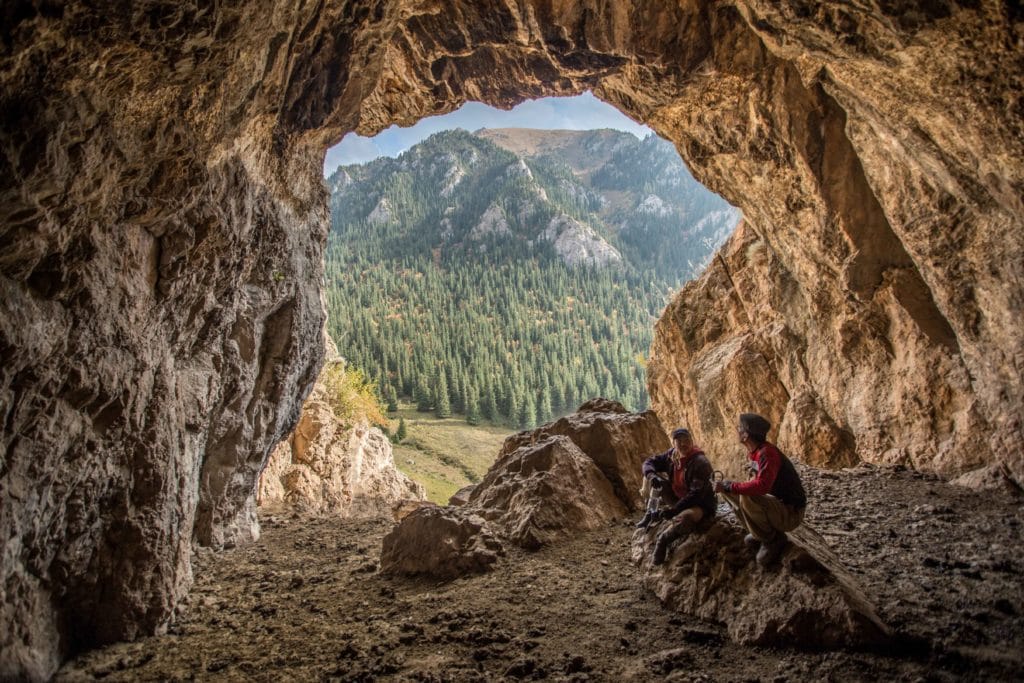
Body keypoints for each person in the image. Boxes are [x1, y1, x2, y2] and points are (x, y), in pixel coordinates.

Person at [713, 413, 807, 566]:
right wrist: (727, 487)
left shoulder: (767, 454)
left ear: (745, 435)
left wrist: (731, 486)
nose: (737, 431)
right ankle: (759, 532)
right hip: (779, 506)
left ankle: (771, 539)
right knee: (728, 490)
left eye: (740, 428)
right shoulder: (757, 452)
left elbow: (762, 486)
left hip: (791, 513)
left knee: (747, 496)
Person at [637, 427, 716, 565]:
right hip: (677, 496)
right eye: (679, 441)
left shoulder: (700, 463)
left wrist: (675, 510)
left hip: (699, 504)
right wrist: (651, 475)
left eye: (686, 441)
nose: (683, 444)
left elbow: (695, 495)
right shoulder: (672, 455)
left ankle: (664, 540)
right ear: (674, 443)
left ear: (692, 441)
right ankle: (651, 513)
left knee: (686, 518)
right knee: (653, 479)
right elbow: (648, 462)